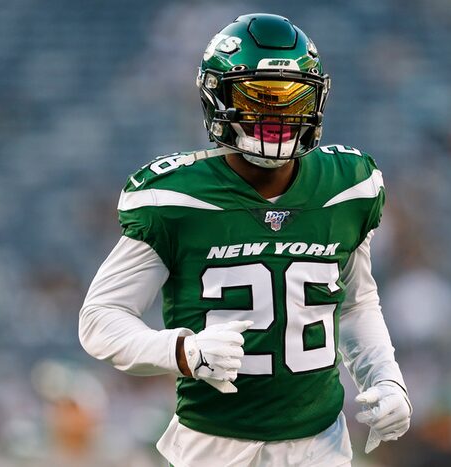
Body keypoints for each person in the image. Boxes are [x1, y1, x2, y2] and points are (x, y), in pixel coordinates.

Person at [79, 13, 412, 466]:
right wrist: (181, 350)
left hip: (321, 445)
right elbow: (101, 318)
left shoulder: (348, 187)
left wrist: (387, 377)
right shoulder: (175, 197)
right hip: (214, 447)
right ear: (217, 97)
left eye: (291, 98)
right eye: (257, 97)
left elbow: (354, 304)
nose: (275, 116)